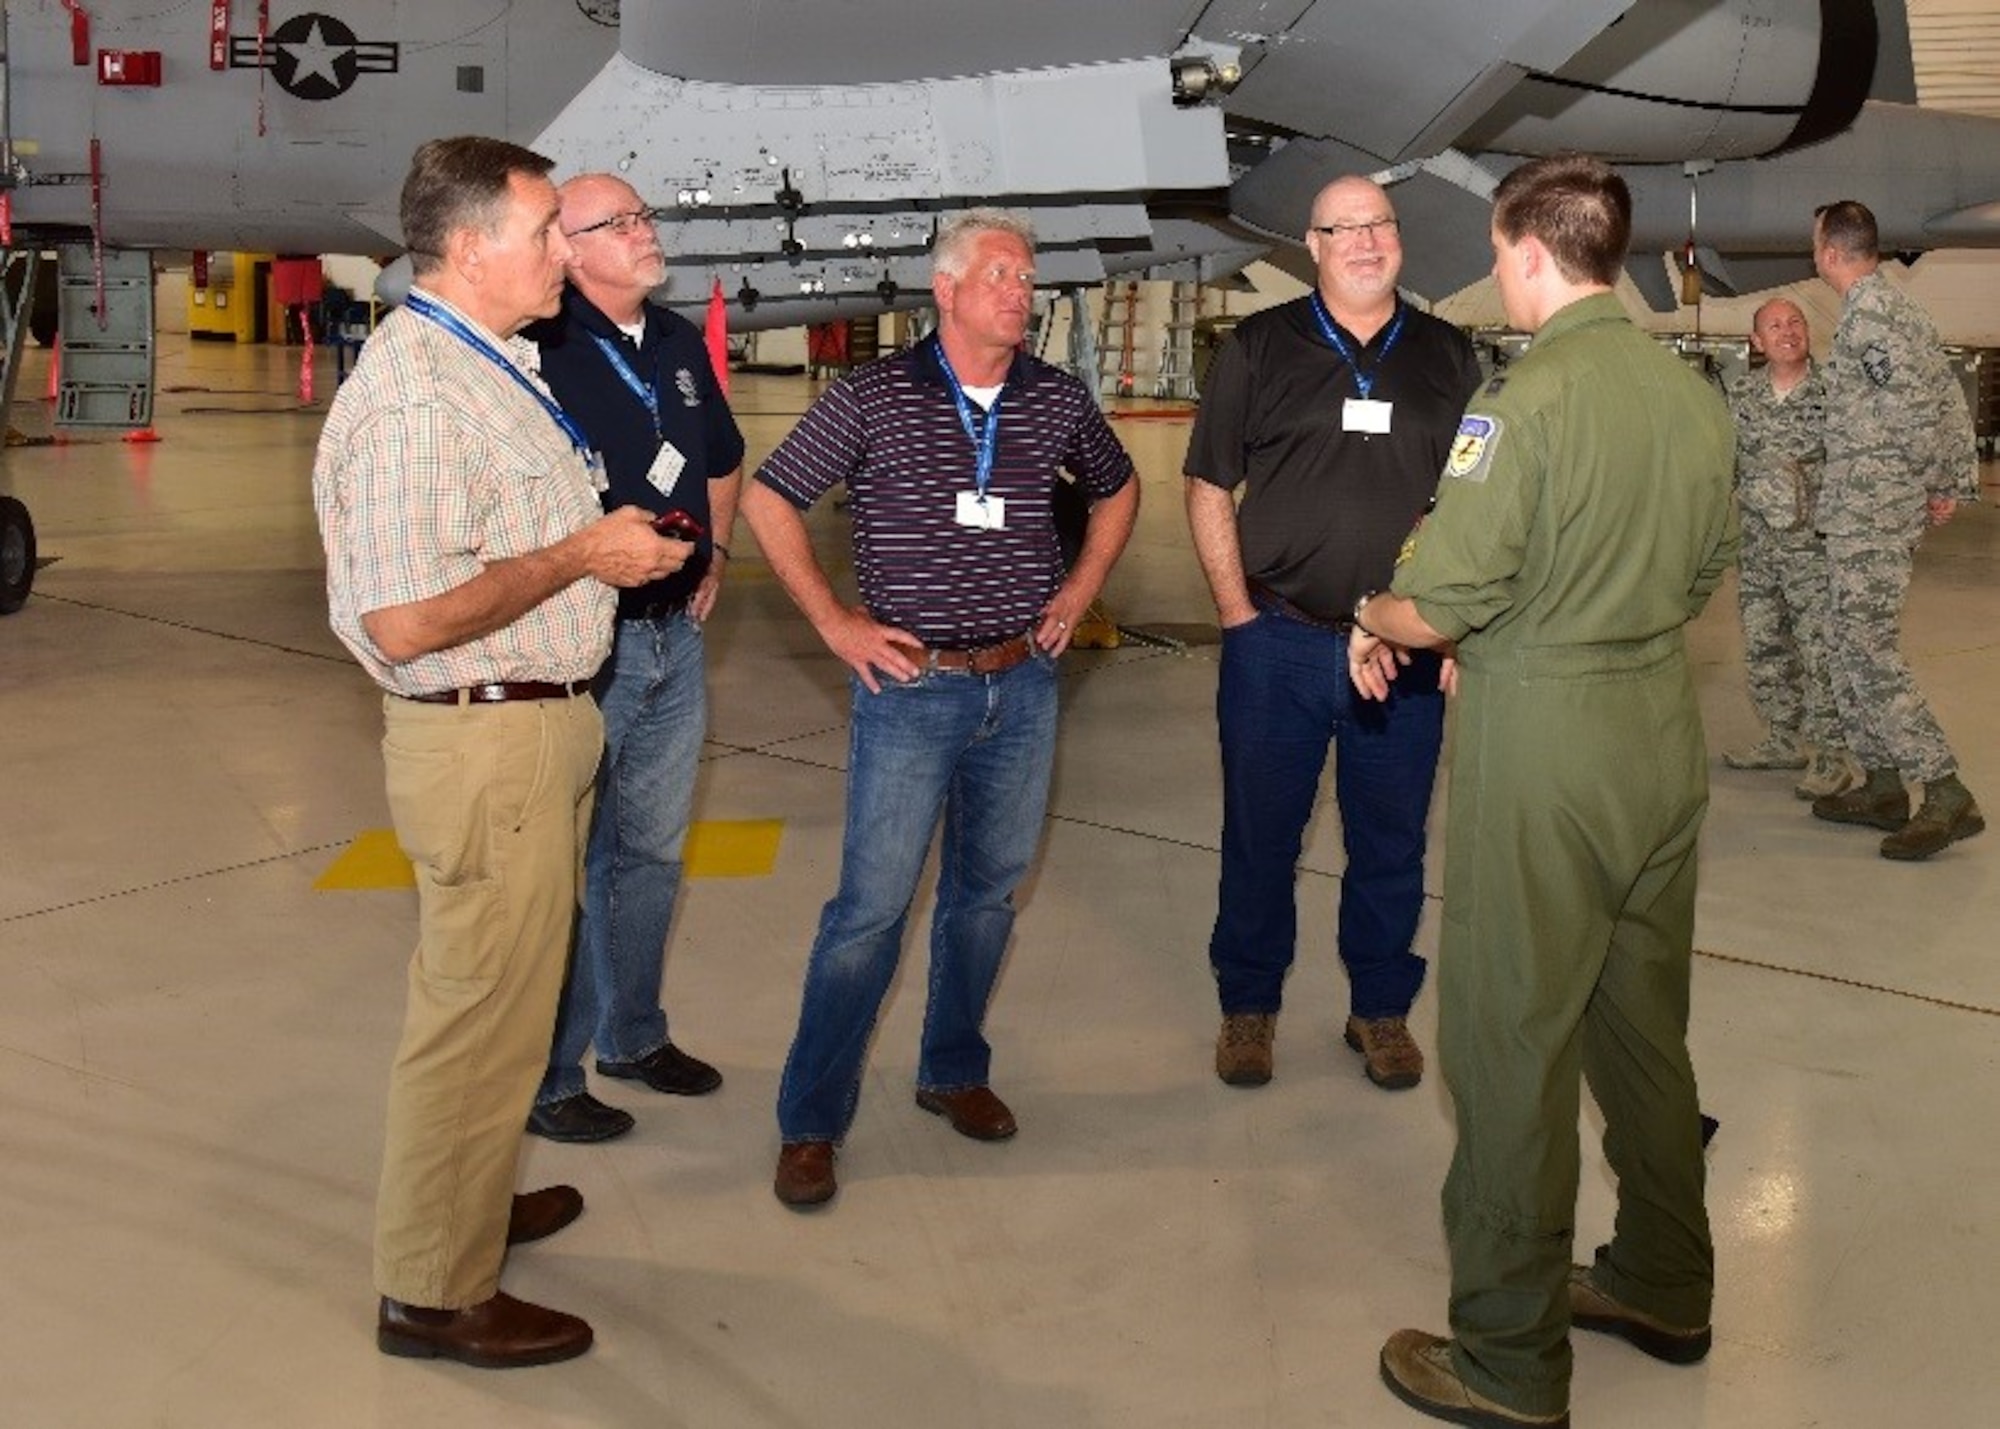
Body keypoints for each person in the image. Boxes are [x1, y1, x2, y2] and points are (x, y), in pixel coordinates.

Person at [1347, 154, 1736, 1427]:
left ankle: (1508, 1361)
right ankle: (1665, 1283)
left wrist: (1372, 610)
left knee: (1510, 1043)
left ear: (1523, 249)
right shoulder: (1687, 397)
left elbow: (1444, 594)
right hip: (1655, 740)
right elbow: (1697, 578)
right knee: (1640, 1031)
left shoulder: (1521, 402)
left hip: (1549, 752)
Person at [312, 136, 695, 1369]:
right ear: (470, 248)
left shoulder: (495, 359)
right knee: (478, 1018)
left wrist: (594, 536)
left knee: (506, 1000)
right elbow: (405, 618)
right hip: (484, 734)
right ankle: (433, 1288)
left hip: (528, 725)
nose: (562, 251)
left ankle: (466, 1201)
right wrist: (587, 556)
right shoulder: (419, 393)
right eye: (543, 231)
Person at [740, 209, 1138, 1210]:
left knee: (987, 895)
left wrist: (1080, 587)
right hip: (911, 689)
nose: (1020, 289)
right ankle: (811, 1119)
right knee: (867, 913)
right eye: (999, 273)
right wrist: (834, 621)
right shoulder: (873, 395)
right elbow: (767, 497)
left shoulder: (1053, 398)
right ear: (947, 292)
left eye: (1027, 274)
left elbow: (1118, 488)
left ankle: (951, 1068)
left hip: (1023, 681)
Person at [1183, 175, 1483, 1093]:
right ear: (1308, 245)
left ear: (1400, 238)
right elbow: (1206, 484)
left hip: (1405, 650)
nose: (1364, 241)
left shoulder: (1448, 354)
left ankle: (1380, 1008)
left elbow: (1473, 505)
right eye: (1341, 228)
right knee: (1259, 836)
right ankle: (1248, 1005)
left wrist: (1452, 632)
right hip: (1280, 638)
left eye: (1378, 225)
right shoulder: (1259, 347)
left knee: (1391, 840)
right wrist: (1237, 614)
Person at [523, 172, 745, 1144]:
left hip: (670, 637)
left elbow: (722, 458)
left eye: (644, 216)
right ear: (567, 248)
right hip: (585, 643)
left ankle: (631, 1035)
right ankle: (544, 1076)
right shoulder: (539, 347)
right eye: (618, 223)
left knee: (649, 852)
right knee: (562, 861)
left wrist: (718, 555)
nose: (644, 231)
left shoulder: (674, 343)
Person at [1806, 200, 1983, 860]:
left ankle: (1943, 788)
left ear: (1830, 250)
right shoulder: (1889, 308)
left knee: (1869, 649)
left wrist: (1932, 482)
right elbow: (1943, 396)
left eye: (1814, 242)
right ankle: (1882, 785)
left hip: (1873, 513)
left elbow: (1913, 408)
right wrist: (1950, 480)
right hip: (1860, 510)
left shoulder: (1874, 314)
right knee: (1847, 644)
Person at [1722, 299, 1858, 800]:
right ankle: (1783, 738)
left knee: (1819, 650)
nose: (1788, 331)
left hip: (1814, 553)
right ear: (1756, 343)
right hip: (1758, 550)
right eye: (1775, 326)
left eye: (1796, 322)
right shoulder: (1741, 396)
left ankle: (1830, 754)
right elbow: (1726, 468)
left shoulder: (1833, 395)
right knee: (1765, 646)